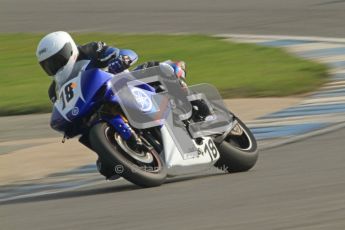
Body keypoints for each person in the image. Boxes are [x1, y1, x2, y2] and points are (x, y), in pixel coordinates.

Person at [36, 31, 186, 103]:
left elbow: (125, 53)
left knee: (160, 68)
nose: (54, 67)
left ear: (69, 50)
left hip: (123, 84)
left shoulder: (90, 50)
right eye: (48, 65)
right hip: (100, 106)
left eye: (57, 60)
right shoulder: (55, 92)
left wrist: (122, 60)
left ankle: (187, 101)